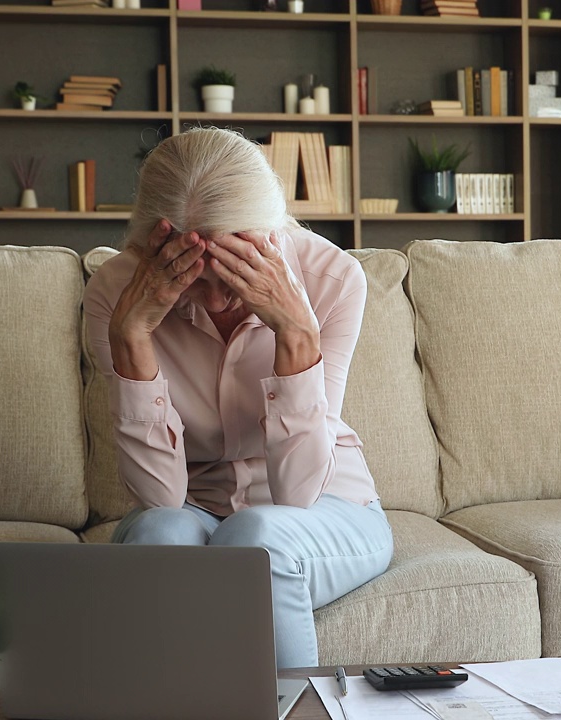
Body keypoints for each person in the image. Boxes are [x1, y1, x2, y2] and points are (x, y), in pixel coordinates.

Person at [82, 127, 394, 668]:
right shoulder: (116, 294)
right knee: (159, 534)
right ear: (150, 249)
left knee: (257, 539)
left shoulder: (331, 278)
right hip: (192, 505)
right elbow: (158, 495)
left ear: (271, 233)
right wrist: (131, 339)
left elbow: (298, 493)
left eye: (237, 265)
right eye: (195, 276)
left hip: (327, 505)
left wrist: (297, 336)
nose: (222, 295)